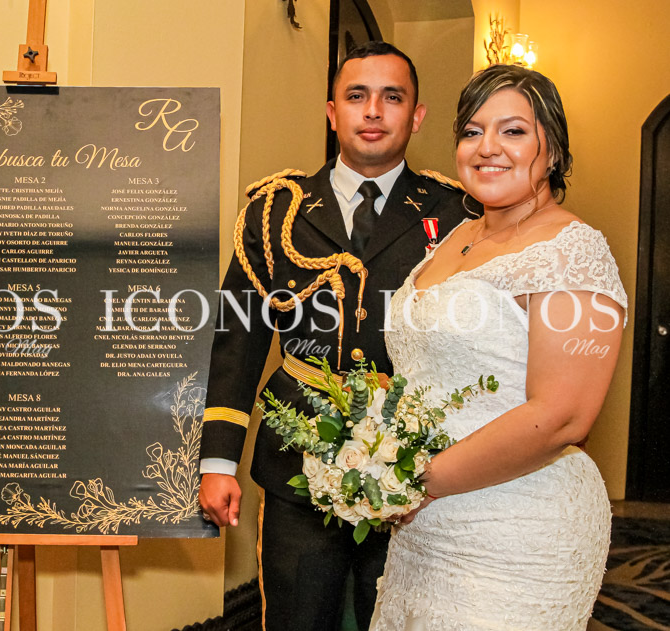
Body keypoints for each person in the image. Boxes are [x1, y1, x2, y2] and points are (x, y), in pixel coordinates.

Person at [198, 42, 470, 631]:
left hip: (415, 466)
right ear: (331, 112)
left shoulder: (456, 213)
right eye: (357, 96)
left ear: (416, 116)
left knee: (400, 620)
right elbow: (237, 338)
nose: (373, 110)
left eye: (391, 97)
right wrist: (218, 460)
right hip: (296, 457)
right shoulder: (275, 211)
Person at [368, 64, 626, 630]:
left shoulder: (570, 250)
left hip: (518, 529)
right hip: (421, 533)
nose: (488, 148)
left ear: (552, 149)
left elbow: (563, 416)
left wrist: (413, 480)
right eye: (471, 131)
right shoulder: (457, 237)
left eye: (513, 131)